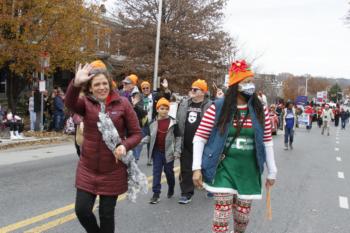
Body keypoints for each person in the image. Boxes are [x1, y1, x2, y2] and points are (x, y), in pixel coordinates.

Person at [192, 60, 277, 233]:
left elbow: (267, 141)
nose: (250, 86)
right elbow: (200, 137)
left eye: (251, 81)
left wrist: (272, 171)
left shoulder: (261, 110)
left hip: (249, 172)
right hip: (223, 169)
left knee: (242, 219)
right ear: (235, 85)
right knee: (221, 219)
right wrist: (196, 168)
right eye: (246, 82)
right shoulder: (218, 108)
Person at [65, 60, 142, 233]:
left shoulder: (122, 103)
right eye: (97, 84)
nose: (101, 87)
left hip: (112, 171)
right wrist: (75, 84)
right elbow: (69, 103)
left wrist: (124, 145)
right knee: (82, 210)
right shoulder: (86, 104)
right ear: (90, 88)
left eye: (104, 83)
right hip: (88, 168)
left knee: (106, 215)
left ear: (110, 84)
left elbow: (137, 133)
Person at [176, 79, 211, 204]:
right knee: (186, 168)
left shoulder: (210, 105)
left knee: (205, 166)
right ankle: (186, 193)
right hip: (185, 141)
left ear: (203, 92)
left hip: (203, 143)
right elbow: (178, 120)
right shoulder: (185, 103)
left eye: (195, 89)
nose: (192, 91)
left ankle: (208, 186)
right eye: (191, 89)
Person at [148, 98, 181, 204]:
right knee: (156, 173)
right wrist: (138, 141)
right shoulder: (153, 122)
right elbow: (149, 137)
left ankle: (171, 186)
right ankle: (156, 194)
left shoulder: (173, 122)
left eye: (166, 109)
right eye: (162, 108)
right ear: (157, 109)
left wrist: (177, 151)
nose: (164, 111)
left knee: (169, 172)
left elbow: (178, 138)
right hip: (157, 152)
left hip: (168, 152)